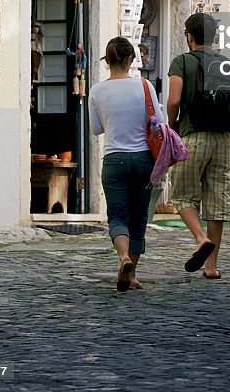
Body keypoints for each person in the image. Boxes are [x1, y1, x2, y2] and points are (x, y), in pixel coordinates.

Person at [167, 13, 230, 279]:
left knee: (182, 196)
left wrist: (171, 125)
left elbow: (174, 99)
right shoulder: (226, 64)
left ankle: (200, 238)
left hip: (193, 137)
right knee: (217, 203)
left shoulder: (182, 62)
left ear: (189, 36)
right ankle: (211, 267)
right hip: (223, 140)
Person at [89, 36, 162, 291]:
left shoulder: (97, 90)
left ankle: (124, 258)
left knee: (117, 216)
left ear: (107, 61)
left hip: (114, 159)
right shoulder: (144, 86)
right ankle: (131, 275)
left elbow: (96, 128)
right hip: (143, 159)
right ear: (131, 59)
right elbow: (159, 123)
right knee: (139, 217)